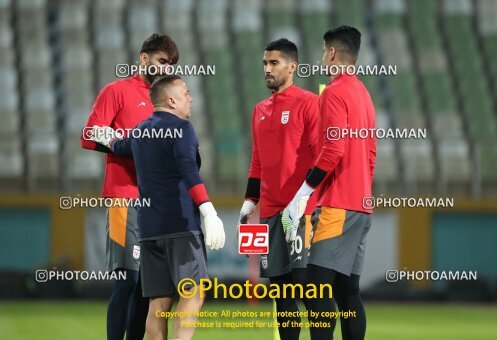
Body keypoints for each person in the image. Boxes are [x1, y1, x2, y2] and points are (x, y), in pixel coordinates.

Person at [90, 75, 225, 340]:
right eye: (186, 93)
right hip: (181, 226)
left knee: (158, 304)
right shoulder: (182, 128)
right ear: (171, 100)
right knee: (193, 293)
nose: (191, 98)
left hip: (149, 230)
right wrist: (208, 210)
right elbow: (188, 169)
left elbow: (116, 145)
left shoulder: (140, 130)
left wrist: (101, 132)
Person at [81, 34, 179, 340]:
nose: (165, 68)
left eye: (171, 64)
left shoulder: (167, 102)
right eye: (162, 61)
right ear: (144, 58)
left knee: (146, 287)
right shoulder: (117, 91)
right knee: (128, 280)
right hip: (126, 198)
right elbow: (88, 135)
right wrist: (127, 146)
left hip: (158, 203)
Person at [282, 25, 376, 340]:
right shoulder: (363, 94)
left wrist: (303, 193)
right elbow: (371, 154)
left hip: (337, 205)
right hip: (362, 205)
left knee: (314, 286)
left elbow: (333, 149)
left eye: (324, 51)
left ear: (332, 52)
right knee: (348, 290)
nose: (323, 57)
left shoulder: (334, 92)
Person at [238, 38, 319, 340]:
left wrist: (305, 201)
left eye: (274, 63)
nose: (267, 69)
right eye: (264, 63)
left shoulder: (309, 102)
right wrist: (249, 203)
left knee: (308, 290)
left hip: (300, 214)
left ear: (292, 66)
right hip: (271, 214)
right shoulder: (259, 109)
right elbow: (257, 161)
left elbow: (321, 154)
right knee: (282, 297)